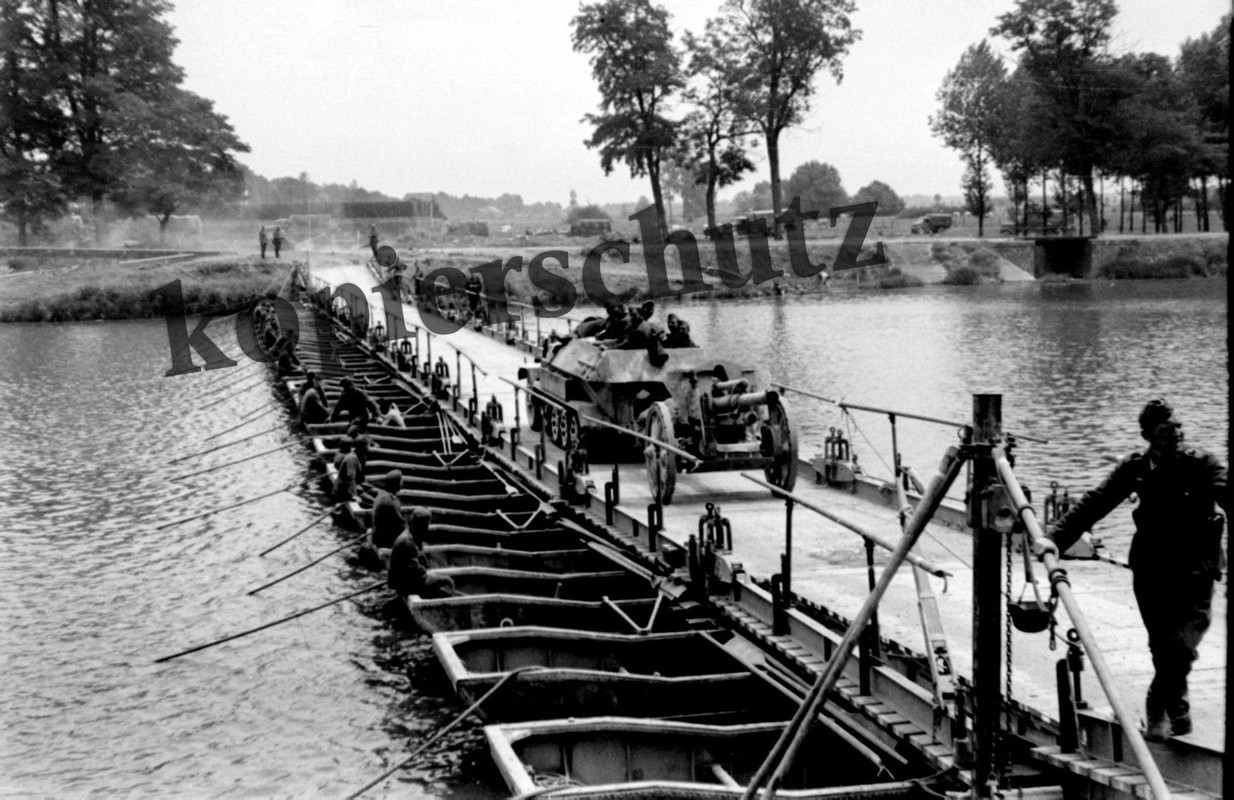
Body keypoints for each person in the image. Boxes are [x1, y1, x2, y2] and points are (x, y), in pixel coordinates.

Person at [1041, 399, 1228, 741]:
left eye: (1179, 427)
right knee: (1161, 646)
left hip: (1195, 570)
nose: (1177, 434)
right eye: (1167, 429)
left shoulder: (1201, 464)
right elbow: (1096, 502)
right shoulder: (1136, 468)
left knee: (1183, 645)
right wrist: (1054, 538)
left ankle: (1158, 702)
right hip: (1152, 570)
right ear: (1148, 434)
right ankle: (1177, 704)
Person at [388, 509, 456, 598]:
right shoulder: (408, 542)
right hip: (405, 585)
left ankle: (431, 596)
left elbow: (418, 555)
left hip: (402, 580)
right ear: (423, 525)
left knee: (435, 577)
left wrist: (425, 564)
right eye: (427, 524)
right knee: (448, 581)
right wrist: (427, 572)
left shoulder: (410, 533)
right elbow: (414, 570)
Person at [369, 469, 406, 552]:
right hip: (383, 540)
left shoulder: (382, 493)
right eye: (401, 480)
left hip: (377, 534)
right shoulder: (390, 502)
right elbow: (401, 524)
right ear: (397, 483)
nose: (403, 482)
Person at [332, 436, 363, 502]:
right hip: (344, 492)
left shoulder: (340, 453)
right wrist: (353, 495)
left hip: (341, 486)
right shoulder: (351, 458)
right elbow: (350, 478)